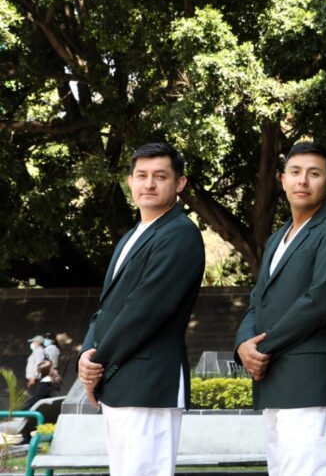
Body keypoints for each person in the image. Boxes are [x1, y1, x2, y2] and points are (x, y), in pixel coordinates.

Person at [77, 142, 205, 476]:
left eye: (160, 176)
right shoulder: (132, 235)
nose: (149, 184)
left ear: (179, 183)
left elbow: (145, 310)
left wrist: (98, 360)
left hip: (151, 382)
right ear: (130, 181)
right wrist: (87, 352)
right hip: (121, 381)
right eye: (141, 175)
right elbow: (107, 306)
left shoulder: (180, 234)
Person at [234, 142, 326, 475]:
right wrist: (242, 345)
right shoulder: (277, 238)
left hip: (307, 380)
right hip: (271, 376)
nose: (302, 181)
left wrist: (261, 346)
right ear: (282, 179)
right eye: (295, 172)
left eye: (314, 174)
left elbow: (320, 301)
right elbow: (257, 300)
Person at [19, 359, 62, 444]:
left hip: (37, 409)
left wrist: (23, 407)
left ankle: (26, 437)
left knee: (23, 412)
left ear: (40, 372)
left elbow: (37, 398)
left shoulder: (44, 384)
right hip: (44, 409)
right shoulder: (52, 382)